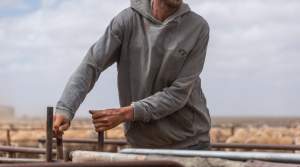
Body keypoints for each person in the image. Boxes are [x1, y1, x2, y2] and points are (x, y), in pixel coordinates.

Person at [53, 0, 211, 150]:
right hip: (142, 144)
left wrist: (126, 113)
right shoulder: (127, 21)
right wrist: (65, 108)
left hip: (189, 143)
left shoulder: (197, 28)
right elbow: (92, 65)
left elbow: (178, 93)